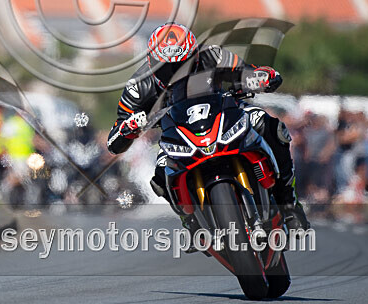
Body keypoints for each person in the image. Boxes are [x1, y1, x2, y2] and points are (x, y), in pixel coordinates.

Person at [106, 22, 309, 238]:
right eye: (167, 67)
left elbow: (245, 72)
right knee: (161, 173)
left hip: (225, 116)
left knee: (271, 127)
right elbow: (114, 139)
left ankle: (288, 204)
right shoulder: (139, 84)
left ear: (194, 55)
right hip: (178, 133)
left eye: (182, 65)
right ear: (152, 61)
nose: (175, 72)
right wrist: (129, 127)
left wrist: (261, 77)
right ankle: (191, 221)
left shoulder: (212, 56)